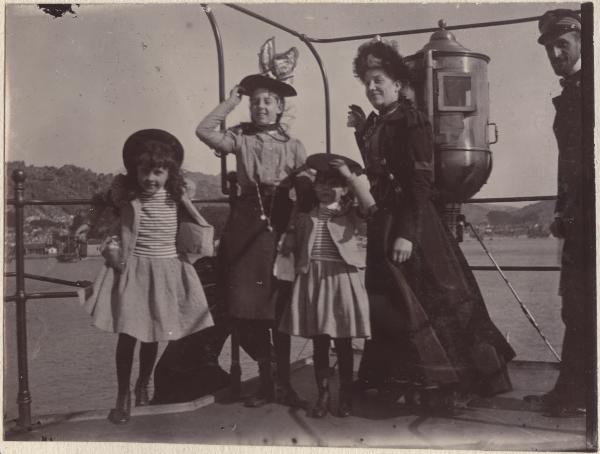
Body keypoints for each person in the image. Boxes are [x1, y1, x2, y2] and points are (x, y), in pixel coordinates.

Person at [347, 38, 515, 413]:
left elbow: (420, 182)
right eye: (368, 82)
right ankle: (396, 380)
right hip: (384, 223)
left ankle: (443, 383)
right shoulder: (377, 123)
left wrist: (408, 232)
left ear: (396, 83)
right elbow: (379, 172)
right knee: (391, 303)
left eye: (379, 80)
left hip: (413, 225)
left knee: (426, 304)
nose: (373, 88)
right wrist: (362, 132)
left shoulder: (411, 118)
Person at [83, 129, 215, 424]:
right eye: (144, 171)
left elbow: (188, 192)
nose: (150, 179)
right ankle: (123, 395)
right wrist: (85, 224)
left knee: (153, 332)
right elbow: (98, 200)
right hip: (134, 269)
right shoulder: (125, 193)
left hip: (167, 268)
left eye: (158, 172)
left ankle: (143, 383)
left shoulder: (177, 193)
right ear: (135, 170)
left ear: (169, 173)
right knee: (128, 335)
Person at [196, 73, 310, 409]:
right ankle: (268, 378)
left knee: (278, 307)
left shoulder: (294, 145)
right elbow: (204, 130)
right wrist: (231, 101)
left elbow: (305, 189)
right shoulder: (239, 138)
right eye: (255, 101)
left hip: (280, 221)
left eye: (267, 101)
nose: (260, 107)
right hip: (245, 222)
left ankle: (283, 385)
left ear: (279, 108)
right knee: (245, 308)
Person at [524, 9, 587, 417]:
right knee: (575, 306)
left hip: (591, 220)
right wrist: (562, 210)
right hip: (579, 219)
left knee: (582, 305)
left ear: (584, 41)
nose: (555, 53)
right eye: (550, 48)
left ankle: (573, 397)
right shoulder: (573, 92)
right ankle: (573, 393)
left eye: (562, 45)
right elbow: (570, 163)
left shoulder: (590, 90)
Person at [279, 153, 375, 418]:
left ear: (344, 189)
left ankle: (345, 395)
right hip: (314, 278)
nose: (323, 189)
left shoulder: (352, 213)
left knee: (343, 342)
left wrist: (349, 176)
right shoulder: (306, 214)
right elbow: (291, 218)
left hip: (342, 278)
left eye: (332, 184)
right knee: (320, 341)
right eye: (320, 183)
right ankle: (323, 395)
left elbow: (371, 207)